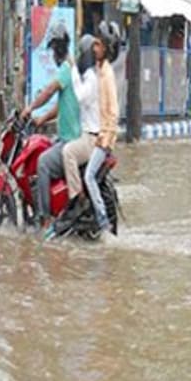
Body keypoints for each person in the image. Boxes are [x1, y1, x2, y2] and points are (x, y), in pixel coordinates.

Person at [19, 23, 81, 235]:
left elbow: (48, 92)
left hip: (70, 140)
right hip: (69, 138)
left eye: (54, 48)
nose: (53, 53)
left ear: (59, 47)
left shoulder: (67, 69)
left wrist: (30, 108)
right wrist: (41, 119)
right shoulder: (72, 68)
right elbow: (60, 106)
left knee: (43, 163)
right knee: (45, 149)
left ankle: (45, 220)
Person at [84, 24, 121, 233]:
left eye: (98, 44)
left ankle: (102, 220)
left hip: (103, 140)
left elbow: (113, 112)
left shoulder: (107, 75)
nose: (94, 47)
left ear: (106, 48)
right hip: (94, 132)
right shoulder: (96, 71)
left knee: (89, 176)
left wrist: (104, 140)